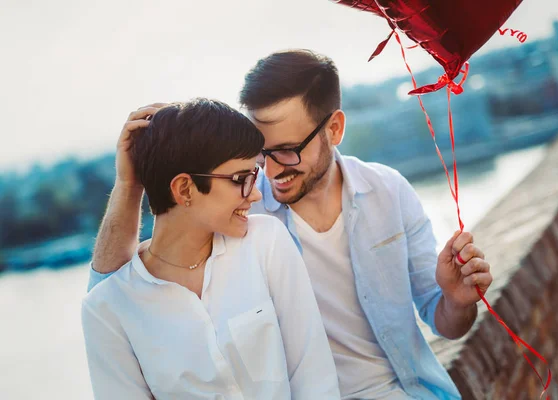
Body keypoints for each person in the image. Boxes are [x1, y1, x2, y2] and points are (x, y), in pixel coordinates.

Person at [89, 50, 493, 400]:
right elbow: (117, 291)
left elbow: (444, 323)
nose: (269, 169)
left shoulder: (389, 191)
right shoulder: (243, 214)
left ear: (334, 129)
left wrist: (457, 300)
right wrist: (132, 181)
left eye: (286, 150)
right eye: (260, 153)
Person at [82, 98, 340, 400]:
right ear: (184, 190)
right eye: (241, 179)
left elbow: (315, 379)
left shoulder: (266, 243)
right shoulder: (107, 309)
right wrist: (128, 183)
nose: (255, 195)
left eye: (253, 176)